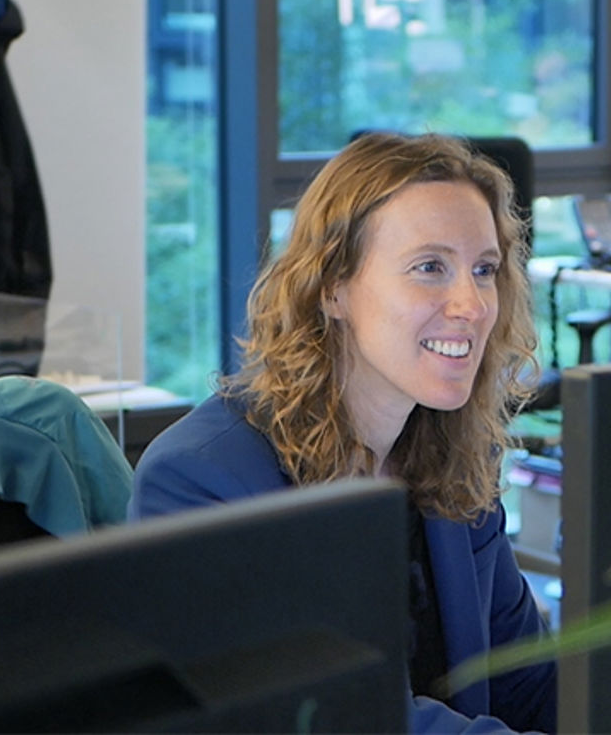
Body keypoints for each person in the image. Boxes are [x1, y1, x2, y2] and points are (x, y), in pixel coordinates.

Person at [128, 132, 555, 733]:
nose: (473, 304)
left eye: (484, 270)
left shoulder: (456, 462)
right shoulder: (202, 479)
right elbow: (343, 718)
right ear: (332, 287)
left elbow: (530, 682)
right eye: (430, 268)